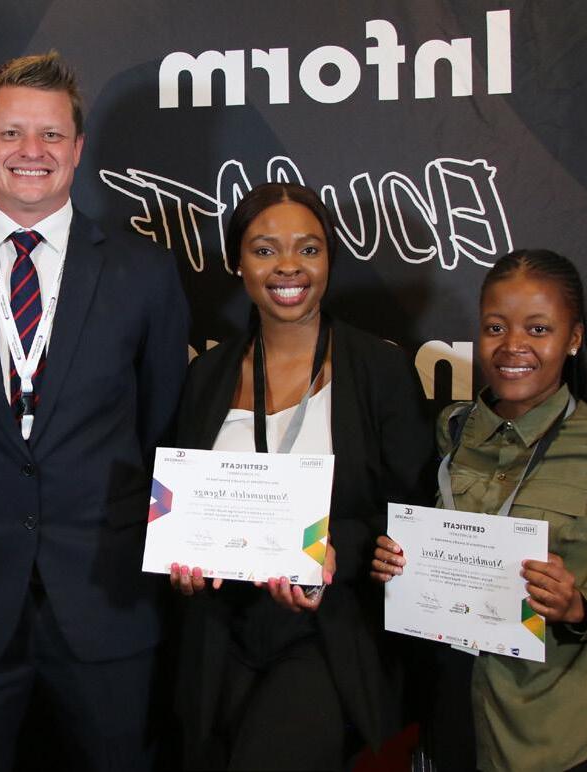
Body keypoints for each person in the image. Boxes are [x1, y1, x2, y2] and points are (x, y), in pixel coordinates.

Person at [0, 52, 189, 771]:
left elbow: (163, 423)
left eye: (51, 135)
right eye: (12, 133)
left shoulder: (144, 272)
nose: (32, 151)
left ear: (78, 148)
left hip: (107, 602)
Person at [170, 182, 434, 770]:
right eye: (265, 250)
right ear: (237, 263)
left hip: (328, 634)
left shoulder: (380, 369)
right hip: (220, 632)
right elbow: (184, 502)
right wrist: (181, 563)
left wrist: (335, 551)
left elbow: (412, 515)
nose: (288, 266)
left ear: (329, 260)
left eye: (308, 249)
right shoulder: (206, 374)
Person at [373, 249, 587, 772]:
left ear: (574, 338)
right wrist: (395, 563)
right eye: (495, 327)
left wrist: (581, 608)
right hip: (452, 718)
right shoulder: (452, 429)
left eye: (538, 329)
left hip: (553, 735)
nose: (513, 345)